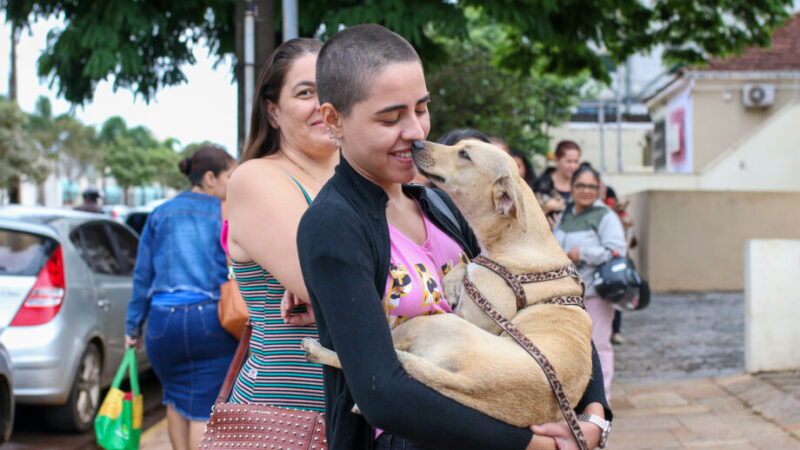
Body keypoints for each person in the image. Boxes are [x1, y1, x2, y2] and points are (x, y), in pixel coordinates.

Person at [296, 24, 611, 450]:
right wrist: (532, 445)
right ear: (334, 118)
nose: (415, 131)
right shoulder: (334, 224)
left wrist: (594, 417)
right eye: (391, 118)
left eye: (421, 108)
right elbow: (380, 393)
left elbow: (557, 307)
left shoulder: (441, 205)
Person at [224, 38, 335, 410]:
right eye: (306, 92)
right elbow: (335, 287)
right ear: (273, 111)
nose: (324, 103)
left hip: (370, 413)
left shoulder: (366, 182)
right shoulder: (257, 179)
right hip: (288, 415)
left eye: (333, 88)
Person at [125, 146, 238, 450]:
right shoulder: (226, 212)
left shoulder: (161, 213)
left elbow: (142, 275)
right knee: (203, 406)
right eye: (231, 175)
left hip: (162, 325)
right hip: (208, 322)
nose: (234, 182)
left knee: (175, 398)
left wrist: (132, 327)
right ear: (211, 178)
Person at [553, 165, 627, 402]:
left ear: (598, 189)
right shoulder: (566, 215)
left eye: (591, 186)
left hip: (595, 292)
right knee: (572, 349)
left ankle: (600, 403)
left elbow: (617, 250)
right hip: (567, 293)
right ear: (572, 187)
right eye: (581, 185)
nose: (586, 191)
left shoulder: (605, 216)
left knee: (598, 346)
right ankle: (577, 400)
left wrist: (582, 253)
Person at [532, 140, 581, 217]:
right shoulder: (541, 184)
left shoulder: (581, 185)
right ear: (556, 160)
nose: (573, 166)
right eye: (569, 161)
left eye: (576, 161)